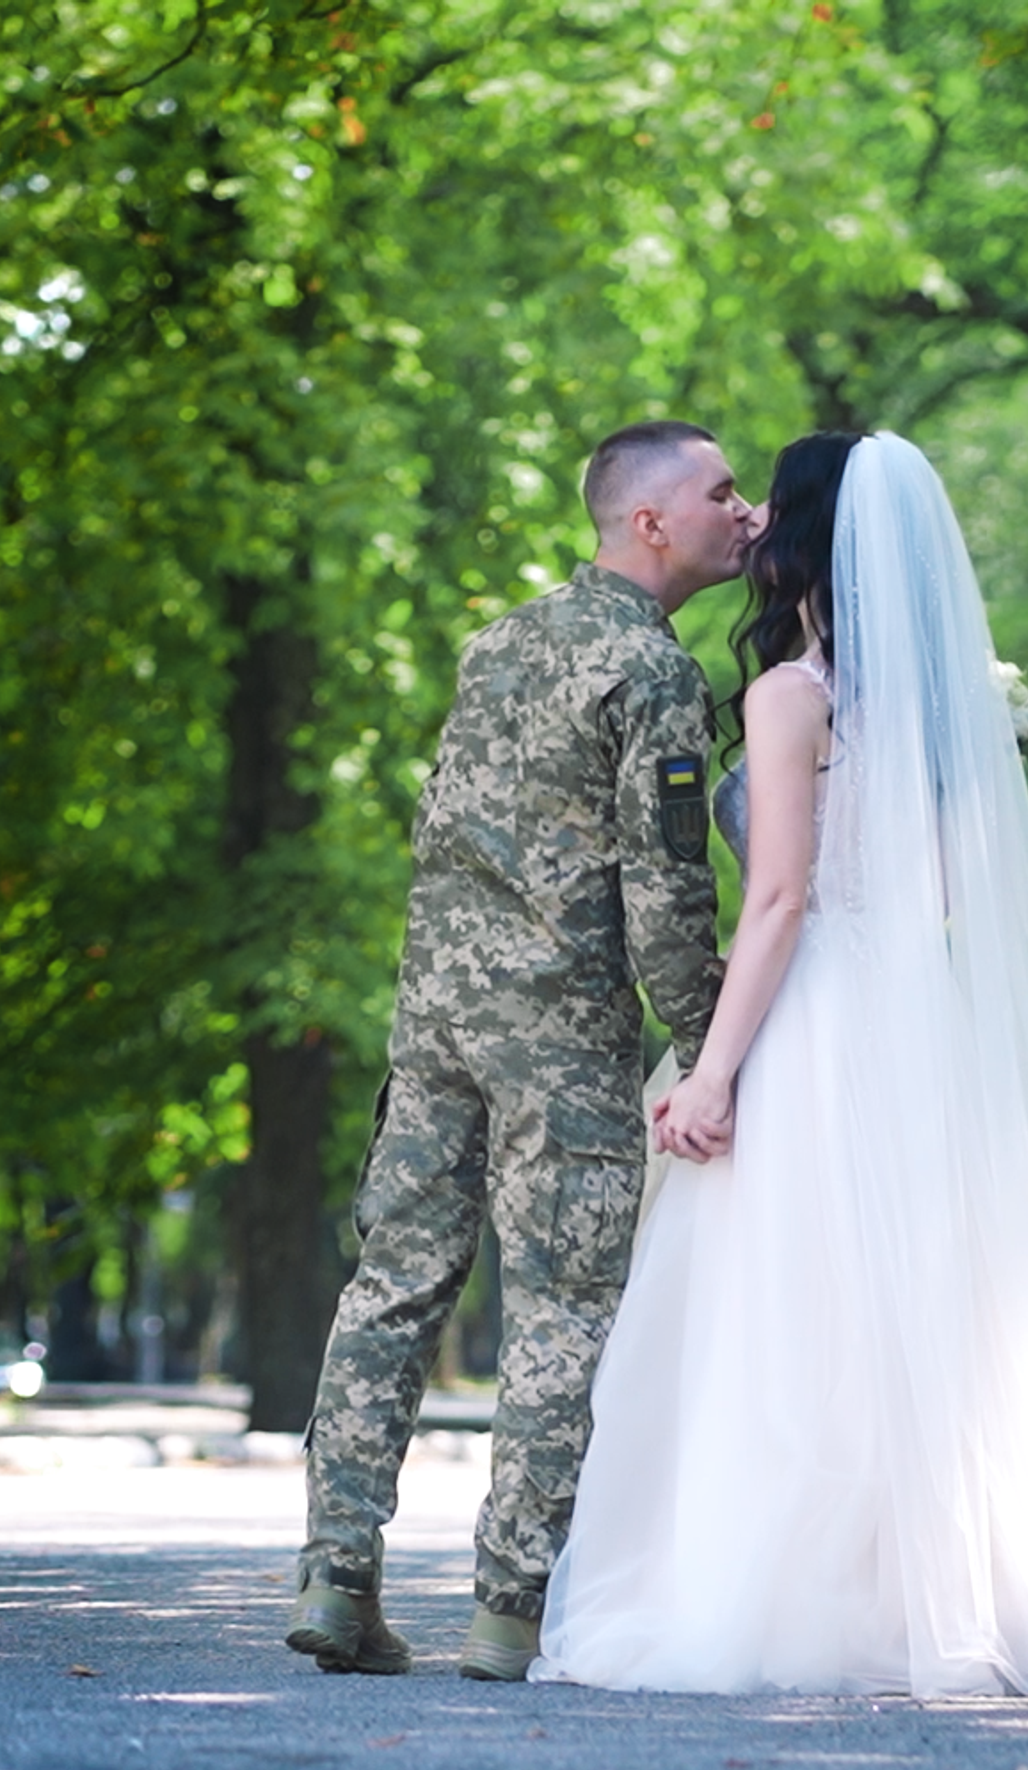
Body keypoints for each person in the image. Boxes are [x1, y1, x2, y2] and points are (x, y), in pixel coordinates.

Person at [533, 430, 1028, 1696]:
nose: (744, 522)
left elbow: (782, 900)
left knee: (793, 1315)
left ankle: (808, 1597)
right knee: (912, 1314)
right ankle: (936, 1593)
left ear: (806, 537)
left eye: (765, 506)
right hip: (920, 1021)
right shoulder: (948, 705)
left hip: (817, 1016)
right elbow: (948, 892)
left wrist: (708, 1070)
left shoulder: (790, 698)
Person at [287, 421, 750, 1680]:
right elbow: (665, 896)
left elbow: (446, 832)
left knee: (391, 1290)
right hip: (562, 1039)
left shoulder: (498, 643)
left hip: (435, 1021)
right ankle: (508, 1608)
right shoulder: (650, 674)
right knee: (560, 1312)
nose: (744, 511)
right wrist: (718, 1049)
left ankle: (337, 1576)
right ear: (650, 521)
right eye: (721, 492)